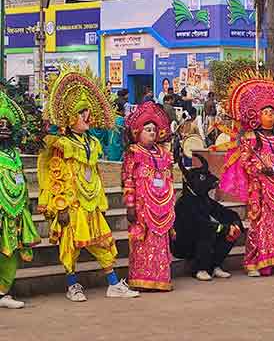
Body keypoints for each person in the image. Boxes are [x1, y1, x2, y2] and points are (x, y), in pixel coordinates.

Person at [37, 66, 140, 301]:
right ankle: (72, 285)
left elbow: (94, 173)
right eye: (81, 112)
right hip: (71, 203)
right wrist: (61, 206)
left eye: (87, 111)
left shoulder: (91, 142)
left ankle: (113, 284)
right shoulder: (61, 144)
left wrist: (99, 199)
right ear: (69, 117)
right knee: (70, 245)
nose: (87, 116)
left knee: (103, 242)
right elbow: (56, 175)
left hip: (91, 202)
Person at [220, 73, 274, 277]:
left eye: (272, 112)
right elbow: (245, 161)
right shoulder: (251, 137)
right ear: (258, 115)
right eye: (265, 112)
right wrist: (260, 168)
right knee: (260, 225)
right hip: (261, 188)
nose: (270, 116)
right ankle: (254, 263)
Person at [121, 102, 175, 290]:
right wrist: (130, 205)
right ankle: (140, 279)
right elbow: (128, 180)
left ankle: (161, 279)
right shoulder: (134, 153)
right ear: (137, 133)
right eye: (147, 130)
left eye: (154, 129)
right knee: (143, 242)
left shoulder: (164, 154)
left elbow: (170, 177)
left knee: (160, 243)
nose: (152, 133)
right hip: (142, 208)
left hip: (163, 205)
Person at [172, 153, 243, 281]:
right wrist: (224, 228)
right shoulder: (184, 203)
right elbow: (199, 224)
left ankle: (215, 265)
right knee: (207, 231)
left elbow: (222, 212)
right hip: (183, 245)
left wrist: (235, 223)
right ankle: (200, 269)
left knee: (231, 230)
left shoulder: (204, 199)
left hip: (203, 237)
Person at [0, 90, 39, 309]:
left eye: (7, 125)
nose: (4, 128)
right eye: (0, 124)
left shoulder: (14, 153)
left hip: (15, 213)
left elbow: (20, 178)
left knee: (11, 252)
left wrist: (25, 204)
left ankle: (3, 292)